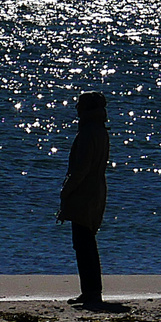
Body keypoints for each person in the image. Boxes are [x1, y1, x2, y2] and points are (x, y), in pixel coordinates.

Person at [57, 91, 109, 309]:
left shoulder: (88, 133)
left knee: (83, 243)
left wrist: (66, 191)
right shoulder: (100, 131)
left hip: (85, 193)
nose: (76, 107)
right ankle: (91, 291)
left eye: (80, 104)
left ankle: (91, 292)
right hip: (95, 190)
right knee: (86, 241)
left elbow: (80, 170)